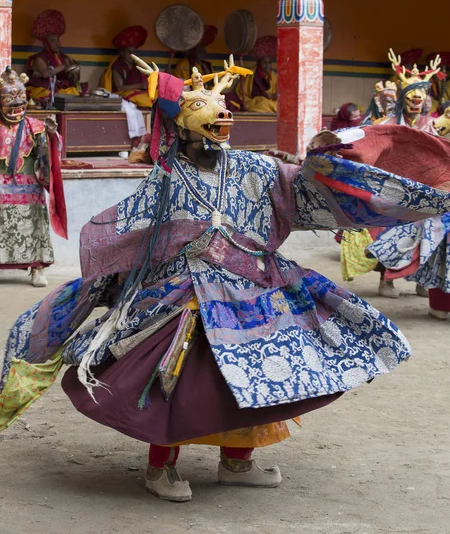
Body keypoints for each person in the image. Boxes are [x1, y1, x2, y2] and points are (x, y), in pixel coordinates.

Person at [2, 56, 450, 504]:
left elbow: (306, 191)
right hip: (187, 293)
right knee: (178, 380)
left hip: (253, 286)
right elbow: (130, 232)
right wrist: (118, 281)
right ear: (180, 124)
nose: (221, 113)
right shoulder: (167, 177)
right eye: (205, 106)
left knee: (252, 374)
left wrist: (335, 154)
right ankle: (162, 467)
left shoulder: (257, 168)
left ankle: (237, 460)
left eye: (221, 105)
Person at [339, 49, 445, 298]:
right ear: (404, 99)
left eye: (421, 99)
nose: (417, 103)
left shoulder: (431, 125)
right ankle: (386, 281)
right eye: (412, 98)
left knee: (428, 234)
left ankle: (421, 281)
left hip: (427, 189)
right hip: (393, 188)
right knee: (389, 233)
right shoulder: (387, 124)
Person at [0, 67, 67, 287]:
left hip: (29, 188)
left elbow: (49, 156)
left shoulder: (35, 127)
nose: (15, 106)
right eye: (9, 100)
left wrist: (50, 134)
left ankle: (37, 267)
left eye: (20, 100)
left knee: (35, 221)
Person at [26, 10, 85, 105]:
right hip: (45, 88)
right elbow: (45, 74)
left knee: (76, 92)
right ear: (46, 44)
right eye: (53, 41)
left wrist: (74, 71)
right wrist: (64, 66)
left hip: (61, 87)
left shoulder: (64, 57)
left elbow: (74, 72)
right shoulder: (39, 58)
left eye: (58, 41)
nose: (57, 43)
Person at [101, 26, 151, 107]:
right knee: (141, 98)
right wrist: (140, 85)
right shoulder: (118, 66)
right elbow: (120, 88)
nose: (132, 55)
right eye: (129, 52)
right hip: (121, 94)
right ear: (122, 52)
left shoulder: (137, 65)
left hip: (136, 93)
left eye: (134, 52)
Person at [238, 36, 278, 113]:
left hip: (270, 100)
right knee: (263, 103)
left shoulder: (273, 75)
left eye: (269, 62)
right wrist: (269, 96)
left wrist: (275, 96)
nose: (267, 65)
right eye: (264, 62)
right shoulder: (253, 74)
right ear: (259, 64)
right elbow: (254, 94)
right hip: (255, 100)